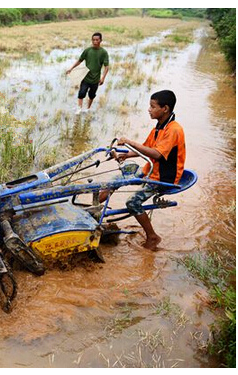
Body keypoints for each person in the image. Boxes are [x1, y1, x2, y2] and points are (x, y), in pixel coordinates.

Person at [103, 90, 186, 251]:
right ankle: (96, 210)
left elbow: (156, 154)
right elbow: (146, 148)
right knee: (118, 177)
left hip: (163, 178)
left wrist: (130, 142)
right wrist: (124, 155)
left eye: (152, 106)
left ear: (165, 109)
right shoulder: (160, 126)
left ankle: (152, 236)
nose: (149, 109)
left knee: (132, 202)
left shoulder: (174, 130)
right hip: (150, 169)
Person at [66, 32, 109, 115]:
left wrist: (103, 78)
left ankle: (88, 108)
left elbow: (106, 66)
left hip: (96, 79)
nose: (95, 42)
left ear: (101, 40)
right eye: (93, 40)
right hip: (86, 78)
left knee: (92, 95)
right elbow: (79, 60)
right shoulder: (87, 50)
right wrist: (71, 69)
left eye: (97, 40)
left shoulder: (104, 52)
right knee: (81, 93)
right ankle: (79, 109)